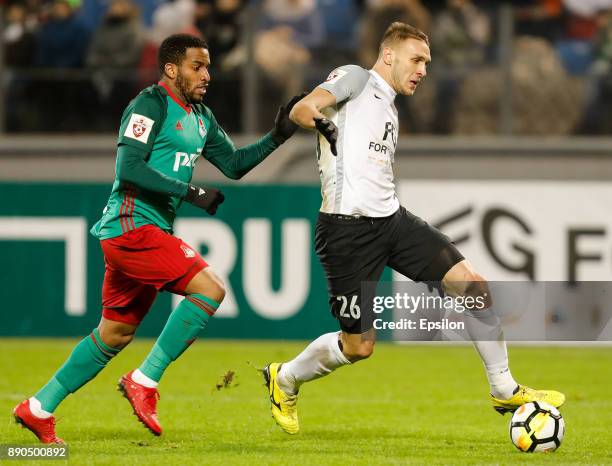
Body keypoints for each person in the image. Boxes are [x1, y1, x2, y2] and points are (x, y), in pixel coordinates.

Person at [263, 22, 566, 435]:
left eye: (427, 62)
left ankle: (504, 389)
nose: (423, 69)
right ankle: (285, 379)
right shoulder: (356, 77)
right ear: (389, 55)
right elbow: (302, 107)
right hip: (347, 231)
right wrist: (318, 120)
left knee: (474, 287)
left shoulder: (388, 102)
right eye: (416, 59)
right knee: (359, 347)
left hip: (393, 220)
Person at [13, 33, 303, 444]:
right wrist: (191, 192)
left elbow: (234, 165)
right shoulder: (150, 103)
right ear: (171, 69)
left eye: (208, 66)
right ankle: (144, 381)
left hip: (145, 232)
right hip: (131, 226)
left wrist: (277, 136)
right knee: (210, 289)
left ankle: (38, 408)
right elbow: (129, 167)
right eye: (197, 66)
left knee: (114, 333)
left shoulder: (201, 117)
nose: (207, 74)